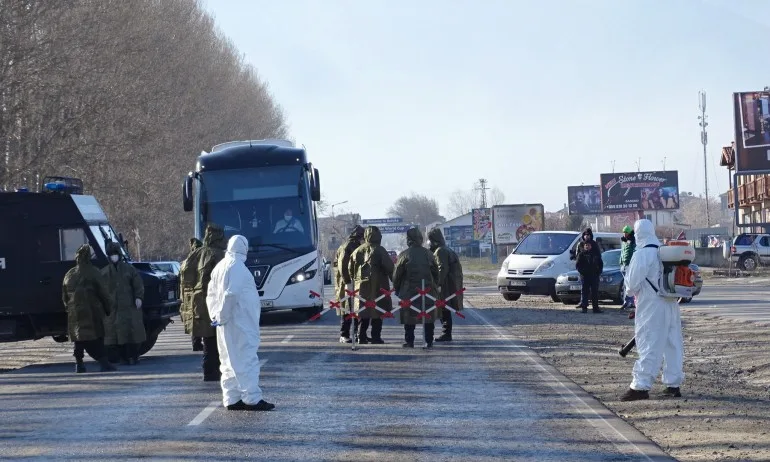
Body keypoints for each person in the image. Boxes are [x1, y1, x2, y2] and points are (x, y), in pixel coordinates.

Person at [207, 235, 274, 411]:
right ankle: (252, 398)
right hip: (240, 321)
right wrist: (222, 315)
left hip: (225, 323)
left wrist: (215, 316)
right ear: (243, 248)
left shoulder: (220, 267)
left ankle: (231, 398)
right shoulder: (237, 267)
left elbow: (211, 295)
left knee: (228, 360)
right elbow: (232, 294)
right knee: (246, 359)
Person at [621, 219, 684, 401]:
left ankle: (640, 386)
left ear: (638, 233)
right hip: (671, 302)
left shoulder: (642, 254)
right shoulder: (664, 251)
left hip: (652, 305)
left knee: (649, 342)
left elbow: (632, 284)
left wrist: (630, 291)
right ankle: (673, 384)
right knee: (672, 343)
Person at [62, 244, 116, 373]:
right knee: (97, 337)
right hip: (92, 311)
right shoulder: (93, 272)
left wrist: (69, 309)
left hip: (74, 313)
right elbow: (103, 292)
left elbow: (64, 296)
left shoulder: (69, 274)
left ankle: (79, 364)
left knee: (78, 339)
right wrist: (108, 308)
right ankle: (104, 363)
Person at [393, 228, 440, 349]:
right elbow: (436, 272)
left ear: (409, 240)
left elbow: (397, 274)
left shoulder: (404, 254)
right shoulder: (429, 254)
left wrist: (397, 288)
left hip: (409, 291)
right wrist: (435, 285)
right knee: (428, 316)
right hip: (428, 290)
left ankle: (410, 341)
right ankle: (428, 340)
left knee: (409, 317)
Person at [101, 241, 145, 365]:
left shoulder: (129, 269)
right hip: (112, 309)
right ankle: (119, 357)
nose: (113, 256)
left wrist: (139, 297)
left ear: (119, 254)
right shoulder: (104, 272)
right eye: (111, 254)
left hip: (129, 307)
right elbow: (100, 290)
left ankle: (132, 356)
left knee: (131, 333)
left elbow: (138, 285)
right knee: (113, 335)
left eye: (115, 254)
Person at [348, 226, 394, 344]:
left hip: (361, 286)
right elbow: (389, 267)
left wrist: (355, 279)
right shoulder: (380, 250)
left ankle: (361, 336)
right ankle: (375, 337)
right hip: (379, 285)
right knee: (377, 311)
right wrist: (395, 280)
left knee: (363, 311)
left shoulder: (357, 251)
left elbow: (350, 269)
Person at [193, 223, 227, 381]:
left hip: (199, 300)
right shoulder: (219, 254)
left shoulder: (198, 252)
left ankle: (208, 371)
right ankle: (213, 371)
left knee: (208, 338)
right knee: (217, 338)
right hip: (215, 299)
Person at [428, 228, 463, 342]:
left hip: (446, 285)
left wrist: (437, 284)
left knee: (444, 308)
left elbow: (441, 269)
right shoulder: (447, 249)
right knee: (445, 308)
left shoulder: (440, 251)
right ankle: (446, 332)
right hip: (450, 283)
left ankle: (446, 333)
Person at [334, 225, 367, 343]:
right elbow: (343, 265)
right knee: (347, 309)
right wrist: (348, 281)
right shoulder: (348, 246)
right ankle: (344, 334)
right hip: (346, 282)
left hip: (353, 281)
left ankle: (357, 334)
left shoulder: (355, 245)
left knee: (356, 308)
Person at [180, 237, 204, 351]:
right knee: (201, 318)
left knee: (193, 319)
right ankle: (198, 343)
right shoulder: (201, 261)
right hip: (199, 292)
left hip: (187, 294)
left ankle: (195, 342)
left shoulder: (185, 262)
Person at [576, 239, 603, 313]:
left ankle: (595, 308)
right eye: (586, 245)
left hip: (594, 276)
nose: (587, 246)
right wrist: (582, 272)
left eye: (588, 245)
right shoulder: (581, 255)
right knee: (585, 292)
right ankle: (584, 308)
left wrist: (599, 272)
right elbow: (578, 266)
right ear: (584, 246)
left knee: (595, 292)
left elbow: (600, 264)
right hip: (585, 277)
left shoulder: (595, 254)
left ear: (591, 246)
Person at [619, 225, 636, 309]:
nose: (624, 234)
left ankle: (629, 301)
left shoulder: (633, 241)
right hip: (623, 265)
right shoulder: (624, 242)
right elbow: (622, 252)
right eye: (624, 232)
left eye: (626, 232)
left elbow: (632, 252)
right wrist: (621, 262)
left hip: (629, 264)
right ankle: (628, 301)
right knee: (626, 284)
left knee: (629, 284)